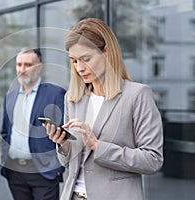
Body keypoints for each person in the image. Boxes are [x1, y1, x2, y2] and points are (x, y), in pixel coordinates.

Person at [44, 18, 164, 200]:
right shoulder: (73, 98)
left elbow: (152, 160)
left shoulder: (137, 95)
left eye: (86, 59)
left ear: (106, 52)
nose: (79, 68)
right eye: (74, 61)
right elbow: (69, 163)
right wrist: (63, 144)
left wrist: (98, 146)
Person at [0, 47, 66, 200]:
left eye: (28, 65)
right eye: (19, 65)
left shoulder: (55, 94)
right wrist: (5, 159)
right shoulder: (10, 96)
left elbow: (63, 134)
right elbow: (5, 131)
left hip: (43, 171)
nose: (22, 69)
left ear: (39, 67)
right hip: (15, 171)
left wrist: (58, 166)